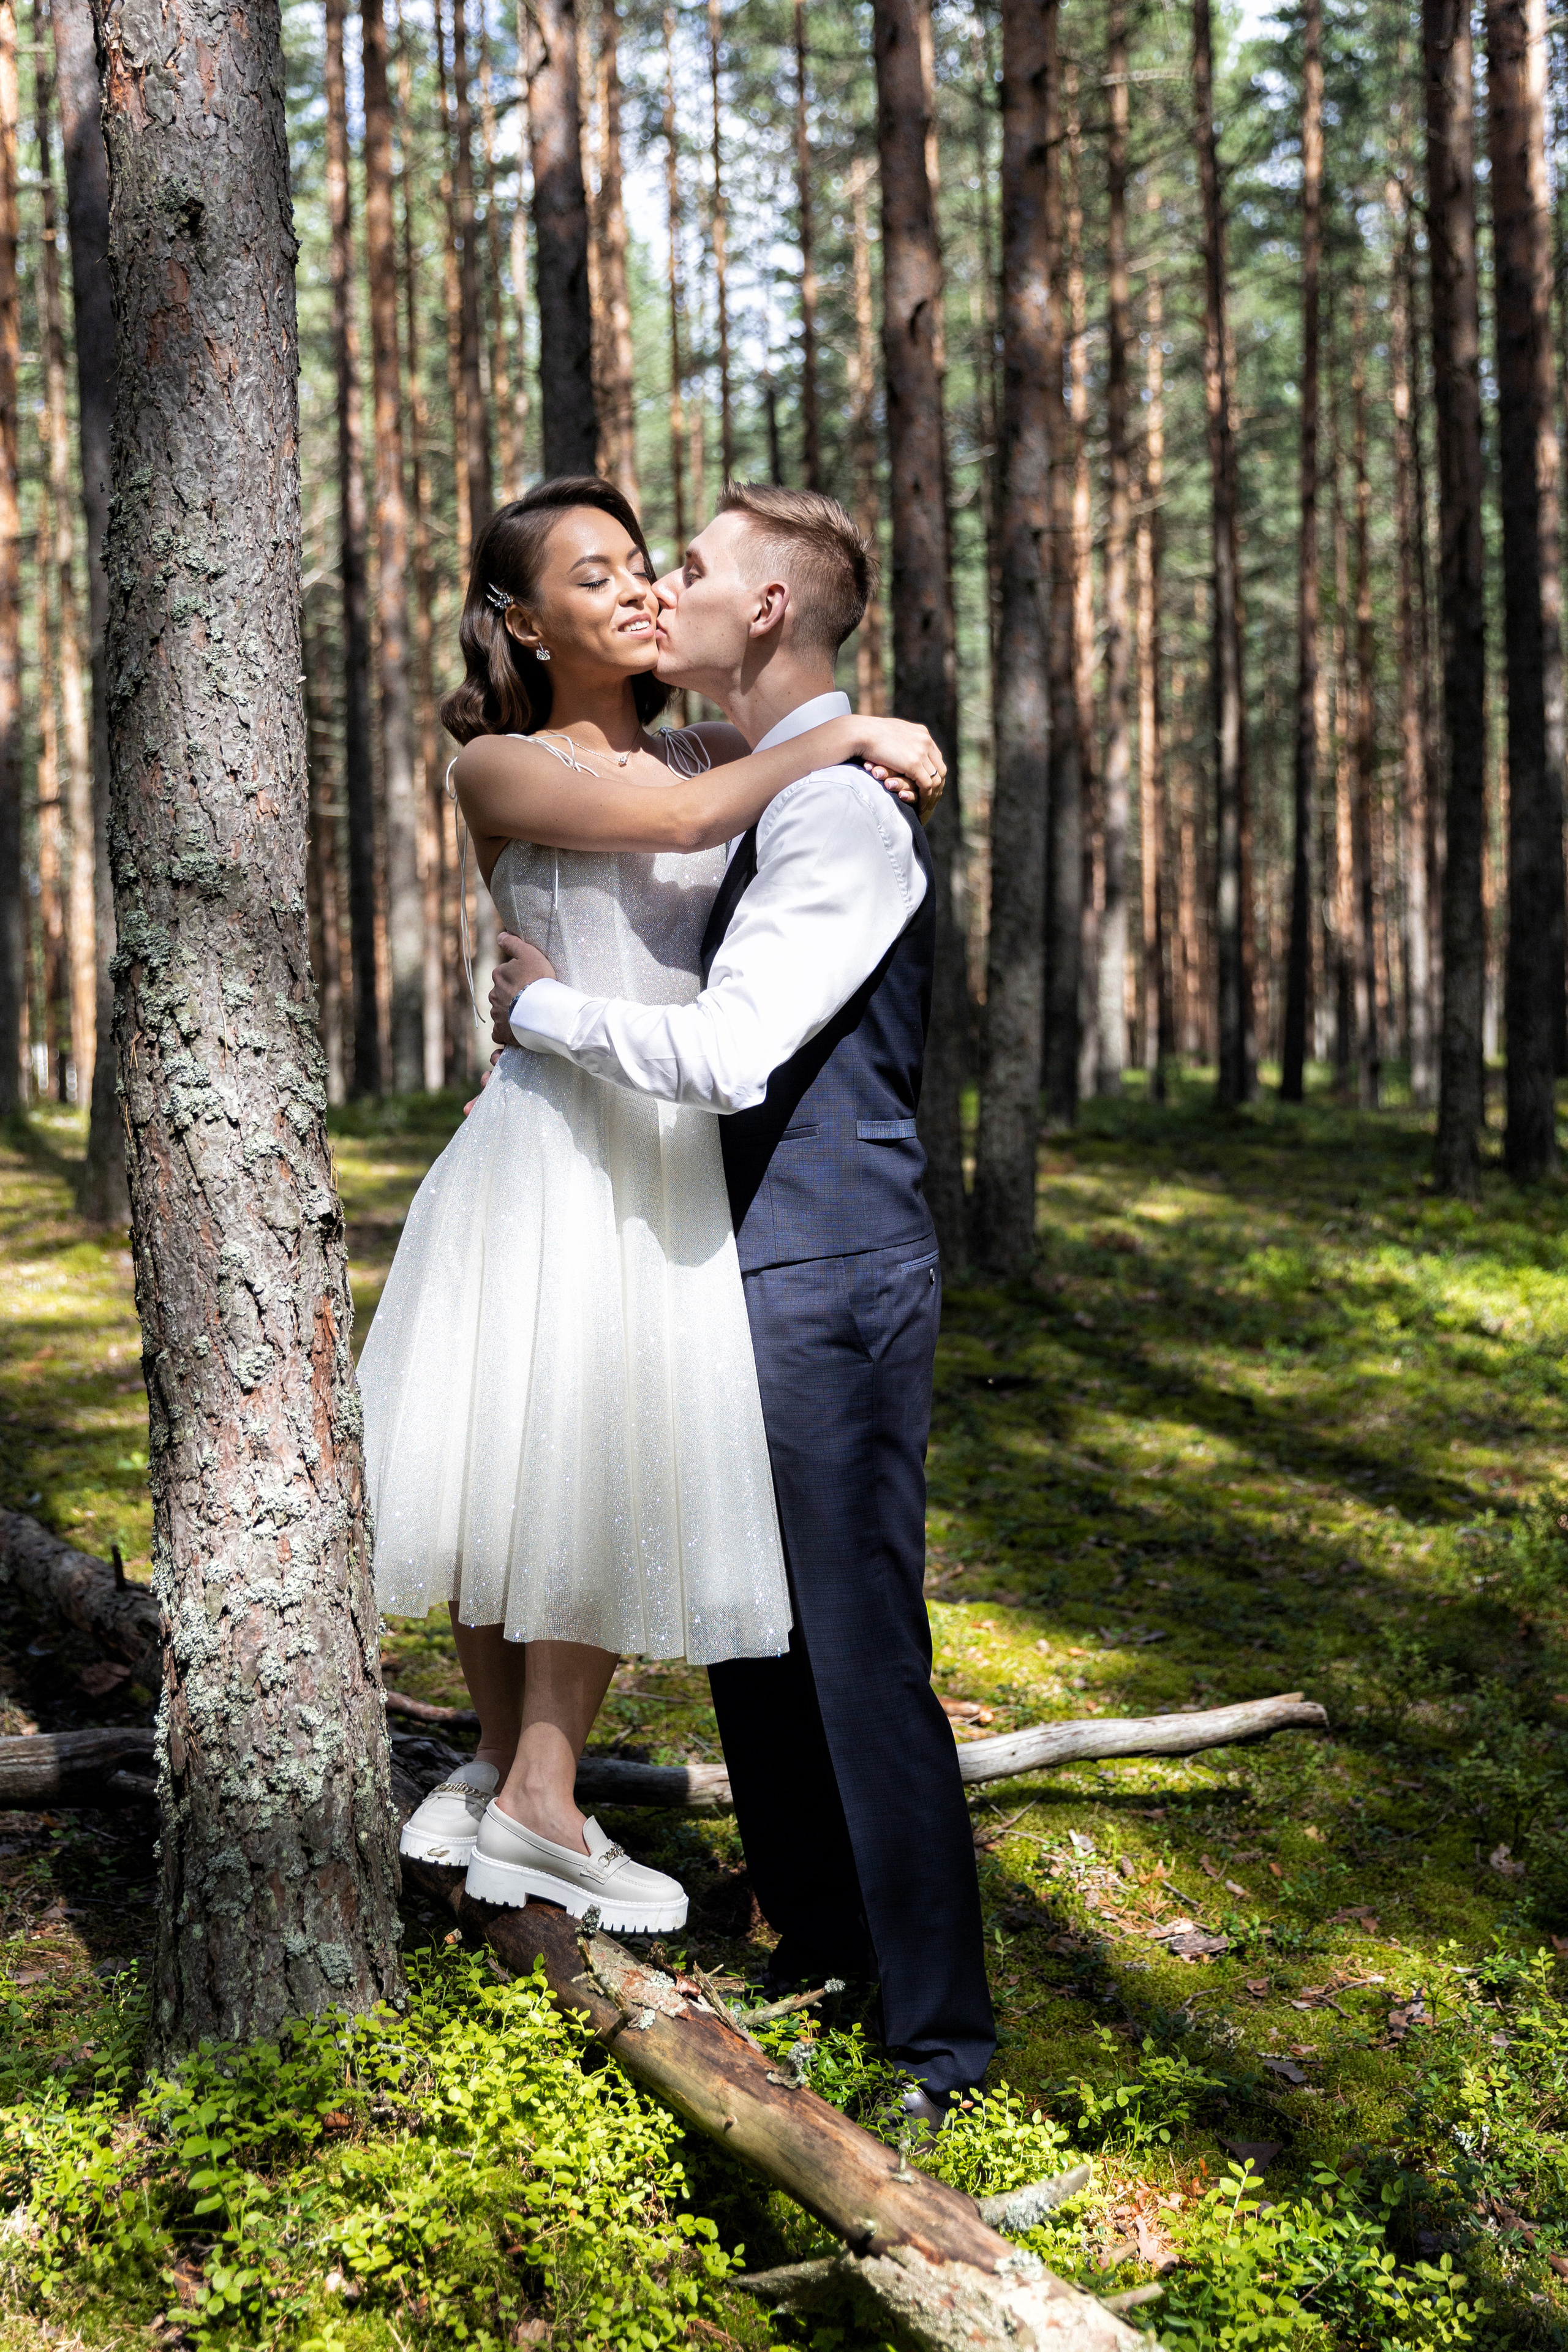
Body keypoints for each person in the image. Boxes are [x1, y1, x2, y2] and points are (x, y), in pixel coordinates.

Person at [358, 475, 944, 1937]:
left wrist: (840, 738)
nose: (633, 588)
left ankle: (526, 1787)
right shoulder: (499, 766)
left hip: (660, 1142)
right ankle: (517, 1775)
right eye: (594, 574)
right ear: (520, 622)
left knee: (592, 1464)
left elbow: (746, 789)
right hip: (549, 1142)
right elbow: (682, 817)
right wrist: (850, 732)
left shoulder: (711, 745)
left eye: (640, 563)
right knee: (510, 1458)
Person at [490, 482, 995, 2122]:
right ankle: (827, 1958)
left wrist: (543, 1014)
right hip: (743, 1255)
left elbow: (725, 1053)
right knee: (759, 1643)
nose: (665, 589)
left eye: (692, 567)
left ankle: (938, 2041)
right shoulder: (768, 775)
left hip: (830, 1264)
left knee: (855, 1645)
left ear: (769, 608)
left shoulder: (836, 816)